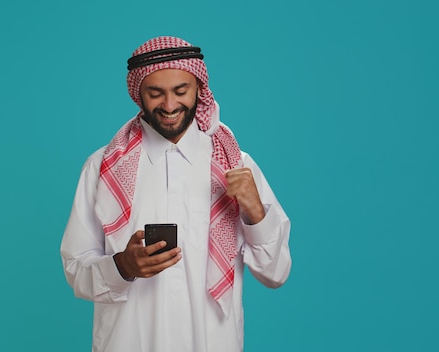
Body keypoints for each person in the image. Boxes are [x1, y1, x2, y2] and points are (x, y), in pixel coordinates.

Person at [60, 36, 291, 352]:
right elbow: (76, 269)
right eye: (156, 94)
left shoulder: (235, 164)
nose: (169, 106)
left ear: (199, 88)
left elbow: (275, 273)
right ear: (138, 94)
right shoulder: (103, 168)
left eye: (181, 91)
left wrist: (255, 211)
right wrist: (122, 267)